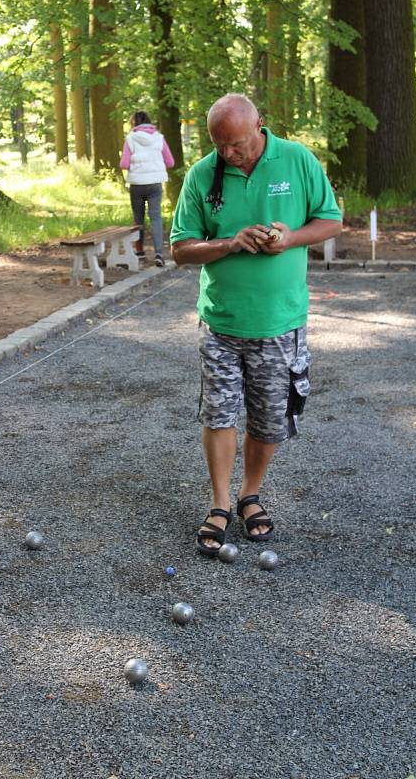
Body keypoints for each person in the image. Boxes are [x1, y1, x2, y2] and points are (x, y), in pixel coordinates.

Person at [170, 93, 342, 556]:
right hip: (222, 323)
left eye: (237, 144)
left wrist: (290, 239)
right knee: (219, 413)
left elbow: (330, 220)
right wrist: (227, 243)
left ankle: (251, 494)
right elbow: (181, 249)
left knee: (269, 422)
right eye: (220, 145)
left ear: (259, 126)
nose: (229, 154)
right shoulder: (202, 175)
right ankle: (221, 502)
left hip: (280, 322)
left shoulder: (297, 159)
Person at [120, 111, 175, 267]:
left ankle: (139, 252)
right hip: (155, 184)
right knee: (156, 218)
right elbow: (170, 162)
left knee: (138, 219)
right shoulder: (159, 138)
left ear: (134, 124)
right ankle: (159, 253)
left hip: (137, 184)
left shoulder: (130, 139)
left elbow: (124, 164)